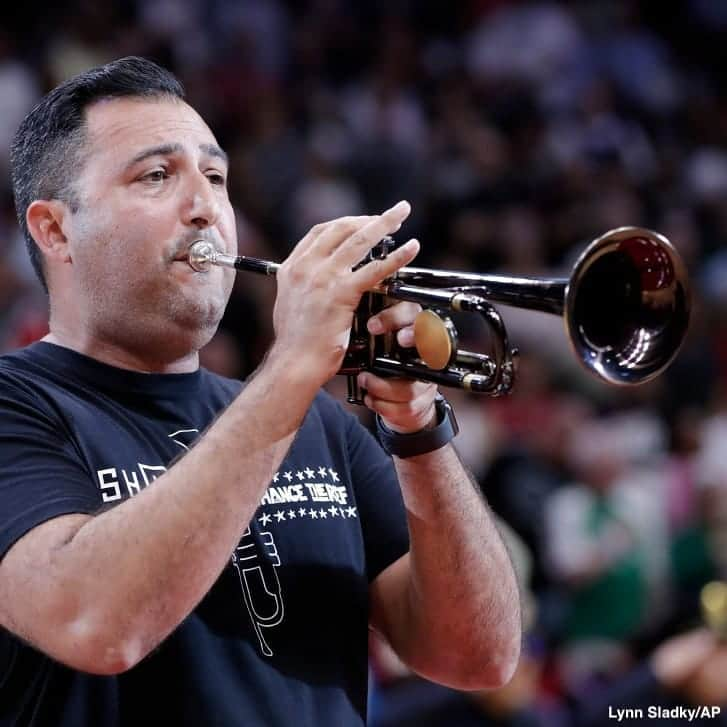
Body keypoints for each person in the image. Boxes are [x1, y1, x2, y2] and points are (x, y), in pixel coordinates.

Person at [0, 57, 521, 726]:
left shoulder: (320, 427)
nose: (205, 206)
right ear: (55, 229)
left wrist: (417, 427)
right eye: (157, 176)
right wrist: (296, 363)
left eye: (215, 177)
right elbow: (95, 624)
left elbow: (477, 656)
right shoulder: (19, 405)